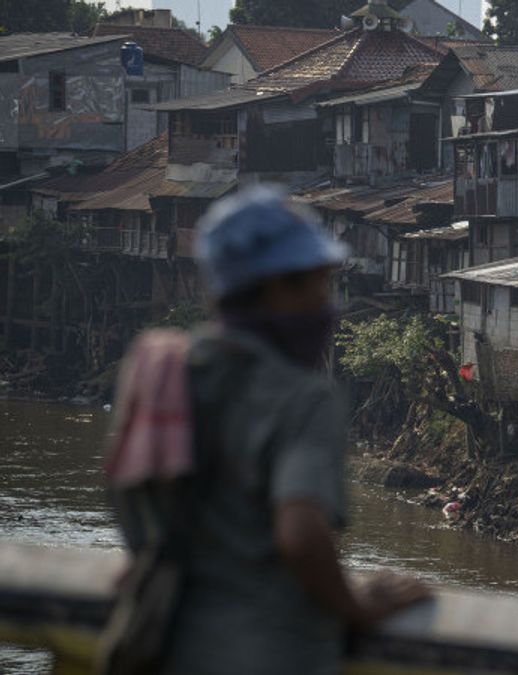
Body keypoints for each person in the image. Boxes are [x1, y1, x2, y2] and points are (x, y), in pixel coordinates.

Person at [104, 187, 428, 675]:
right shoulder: (302, 397)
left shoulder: (158, 371)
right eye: (320, 286)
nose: (329, 304)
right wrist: (358, 607)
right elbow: (299, 535)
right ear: (280, 289)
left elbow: (130, 499)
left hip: (167, 645)